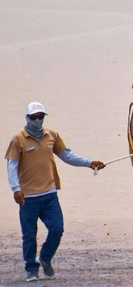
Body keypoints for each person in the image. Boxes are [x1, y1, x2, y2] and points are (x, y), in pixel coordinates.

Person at [5, 102, 105, 282]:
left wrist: (89, 163)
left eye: (40, 117)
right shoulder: (18, 140)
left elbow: (67, 155)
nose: (37, 120)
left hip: (49, 194)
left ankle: (44, 257)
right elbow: (12, 166)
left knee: (57, 229)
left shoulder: (51, 135)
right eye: (33, 117)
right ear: (27, 118)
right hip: (27, 197)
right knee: (29, 235)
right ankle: (31, 269)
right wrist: (16, 189)